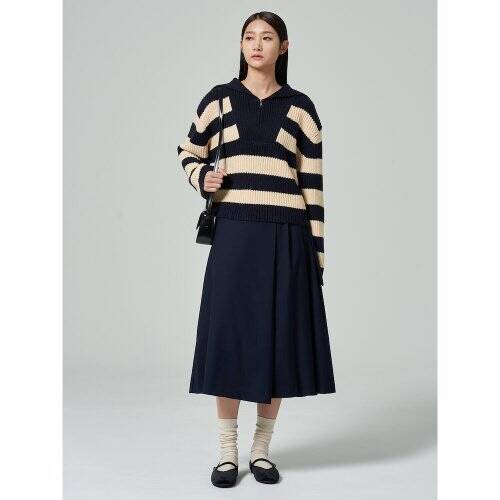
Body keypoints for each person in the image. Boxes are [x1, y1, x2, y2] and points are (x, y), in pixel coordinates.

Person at [177, 11, 336, 487]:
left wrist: (317, 257)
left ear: (284, 47)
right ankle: (228, 453)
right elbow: (188, 151)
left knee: (277, 341)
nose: (257, 44)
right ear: (241, 44)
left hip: (288, 235)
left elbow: (313, 188)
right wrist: (201, 178)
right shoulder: (219, 100)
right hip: (235, 233)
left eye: (267, 37)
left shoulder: (301, 108)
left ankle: (261, 450)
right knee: (228, 336)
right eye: (249, 37)